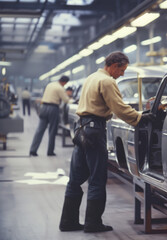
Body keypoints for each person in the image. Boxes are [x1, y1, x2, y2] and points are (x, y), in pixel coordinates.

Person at [59, 51, 153, 233]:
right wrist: (141, 118)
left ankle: (67, 221)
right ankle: (93, 223)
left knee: (75, 179)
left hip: (82, 130)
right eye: (122, 70)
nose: (123, 74)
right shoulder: (108, 81)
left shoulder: (92, 77)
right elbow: (119, 107)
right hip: (95, 132)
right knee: (97, 178)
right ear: (114, 65)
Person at [29, 76, 70, 156]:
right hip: (53, 108)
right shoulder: (60, 88)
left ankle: (33, 150)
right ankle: (50, 152)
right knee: (52, 131)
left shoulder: (50, 85)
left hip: (43, 107)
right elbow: (66, 100)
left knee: (39, 130)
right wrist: (68, 96)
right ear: (64, 82)